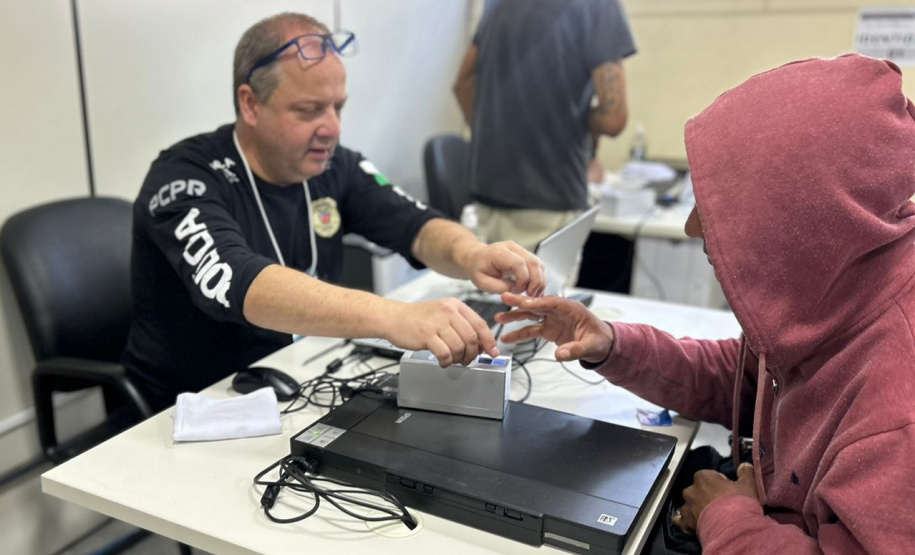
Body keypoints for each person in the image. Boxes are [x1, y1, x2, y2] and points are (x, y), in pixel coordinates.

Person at [495, 54, 915, 553]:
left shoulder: (896, 415)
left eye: (721, 211)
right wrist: (611, 345)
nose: (693, 228)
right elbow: (738, 378)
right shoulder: (836, 291)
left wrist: (725, 517)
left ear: (799, 218)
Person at [122, 12, 545, 412]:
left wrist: (472, 255)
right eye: (309, 110)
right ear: (250, 104)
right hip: (192, 407)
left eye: (337, 107)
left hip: (296, 378)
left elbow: (414, 224)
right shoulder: (183, 178)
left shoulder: (330, 164)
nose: (332, 129)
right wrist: (394, 317)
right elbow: (238, 278)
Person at [453, 0, 636, 252]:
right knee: (539, 281)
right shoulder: (596, 4)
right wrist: (573, 124)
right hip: (548, 198)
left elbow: (463, 84)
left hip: (484, 198)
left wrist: (494, 134)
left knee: (489, 277)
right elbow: (613, 118)